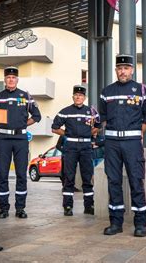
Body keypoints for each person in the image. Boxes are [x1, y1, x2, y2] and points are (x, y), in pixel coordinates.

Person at [99, 54, 146, 237]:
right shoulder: (106, 92)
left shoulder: (142, 90)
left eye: (126, 68)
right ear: (116, 70)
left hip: (132, 143)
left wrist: (137, 134)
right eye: (119, 68)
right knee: (113, 181)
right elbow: (104, 119)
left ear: (132, 70)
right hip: (112, 143)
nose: (122, 71)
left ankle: (140, 223)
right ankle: (116, 222)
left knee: (136, 180)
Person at [0, 67, 41, 219]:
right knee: (2, 174)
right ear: (5, 80)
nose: (11, 79)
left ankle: (20, 208)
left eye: (13, 77)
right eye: (8, 77)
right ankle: (3, 208)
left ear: (17, 80)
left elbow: (37, 116)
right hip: (3, 139)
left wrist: (23, 125)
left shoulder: (26, 96)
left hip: (21, 140)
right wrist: (1, 125)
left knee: (21, 175)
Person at [52, 85, 100, 216]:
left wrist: (88, 133)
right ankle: (67, 206)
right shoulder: (65, 111)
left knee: (87, 177)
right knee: (69, 177)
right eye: (76, 95)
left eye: (81, 95)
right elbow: (55, 128)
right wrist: (67, 134)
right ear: (73, 96)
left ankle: (89, 206)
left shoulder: (91, 111)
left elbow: (99, 126)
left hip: (86, 147)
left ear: (84, 98)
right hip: (70, 147)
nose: (78, 97)